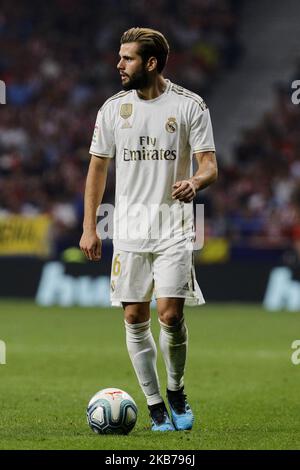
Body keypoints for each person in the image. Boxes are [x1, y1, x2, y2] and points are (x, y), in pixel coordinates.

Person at [80, 27, 217, 432]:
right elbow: (97, 169)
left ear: (151, 63)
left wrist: (195, 181)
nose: (118, 65)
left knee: (170, 315)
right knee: (135, 316)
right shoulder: (112, 110)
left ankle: (175, 390)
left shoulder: (190, 106)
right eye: (120, 57)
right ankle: (156, 406)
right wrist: (90, 227)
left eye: (127, 58)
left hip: (174, 225)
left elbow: (210, 164)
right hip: (128, 229)